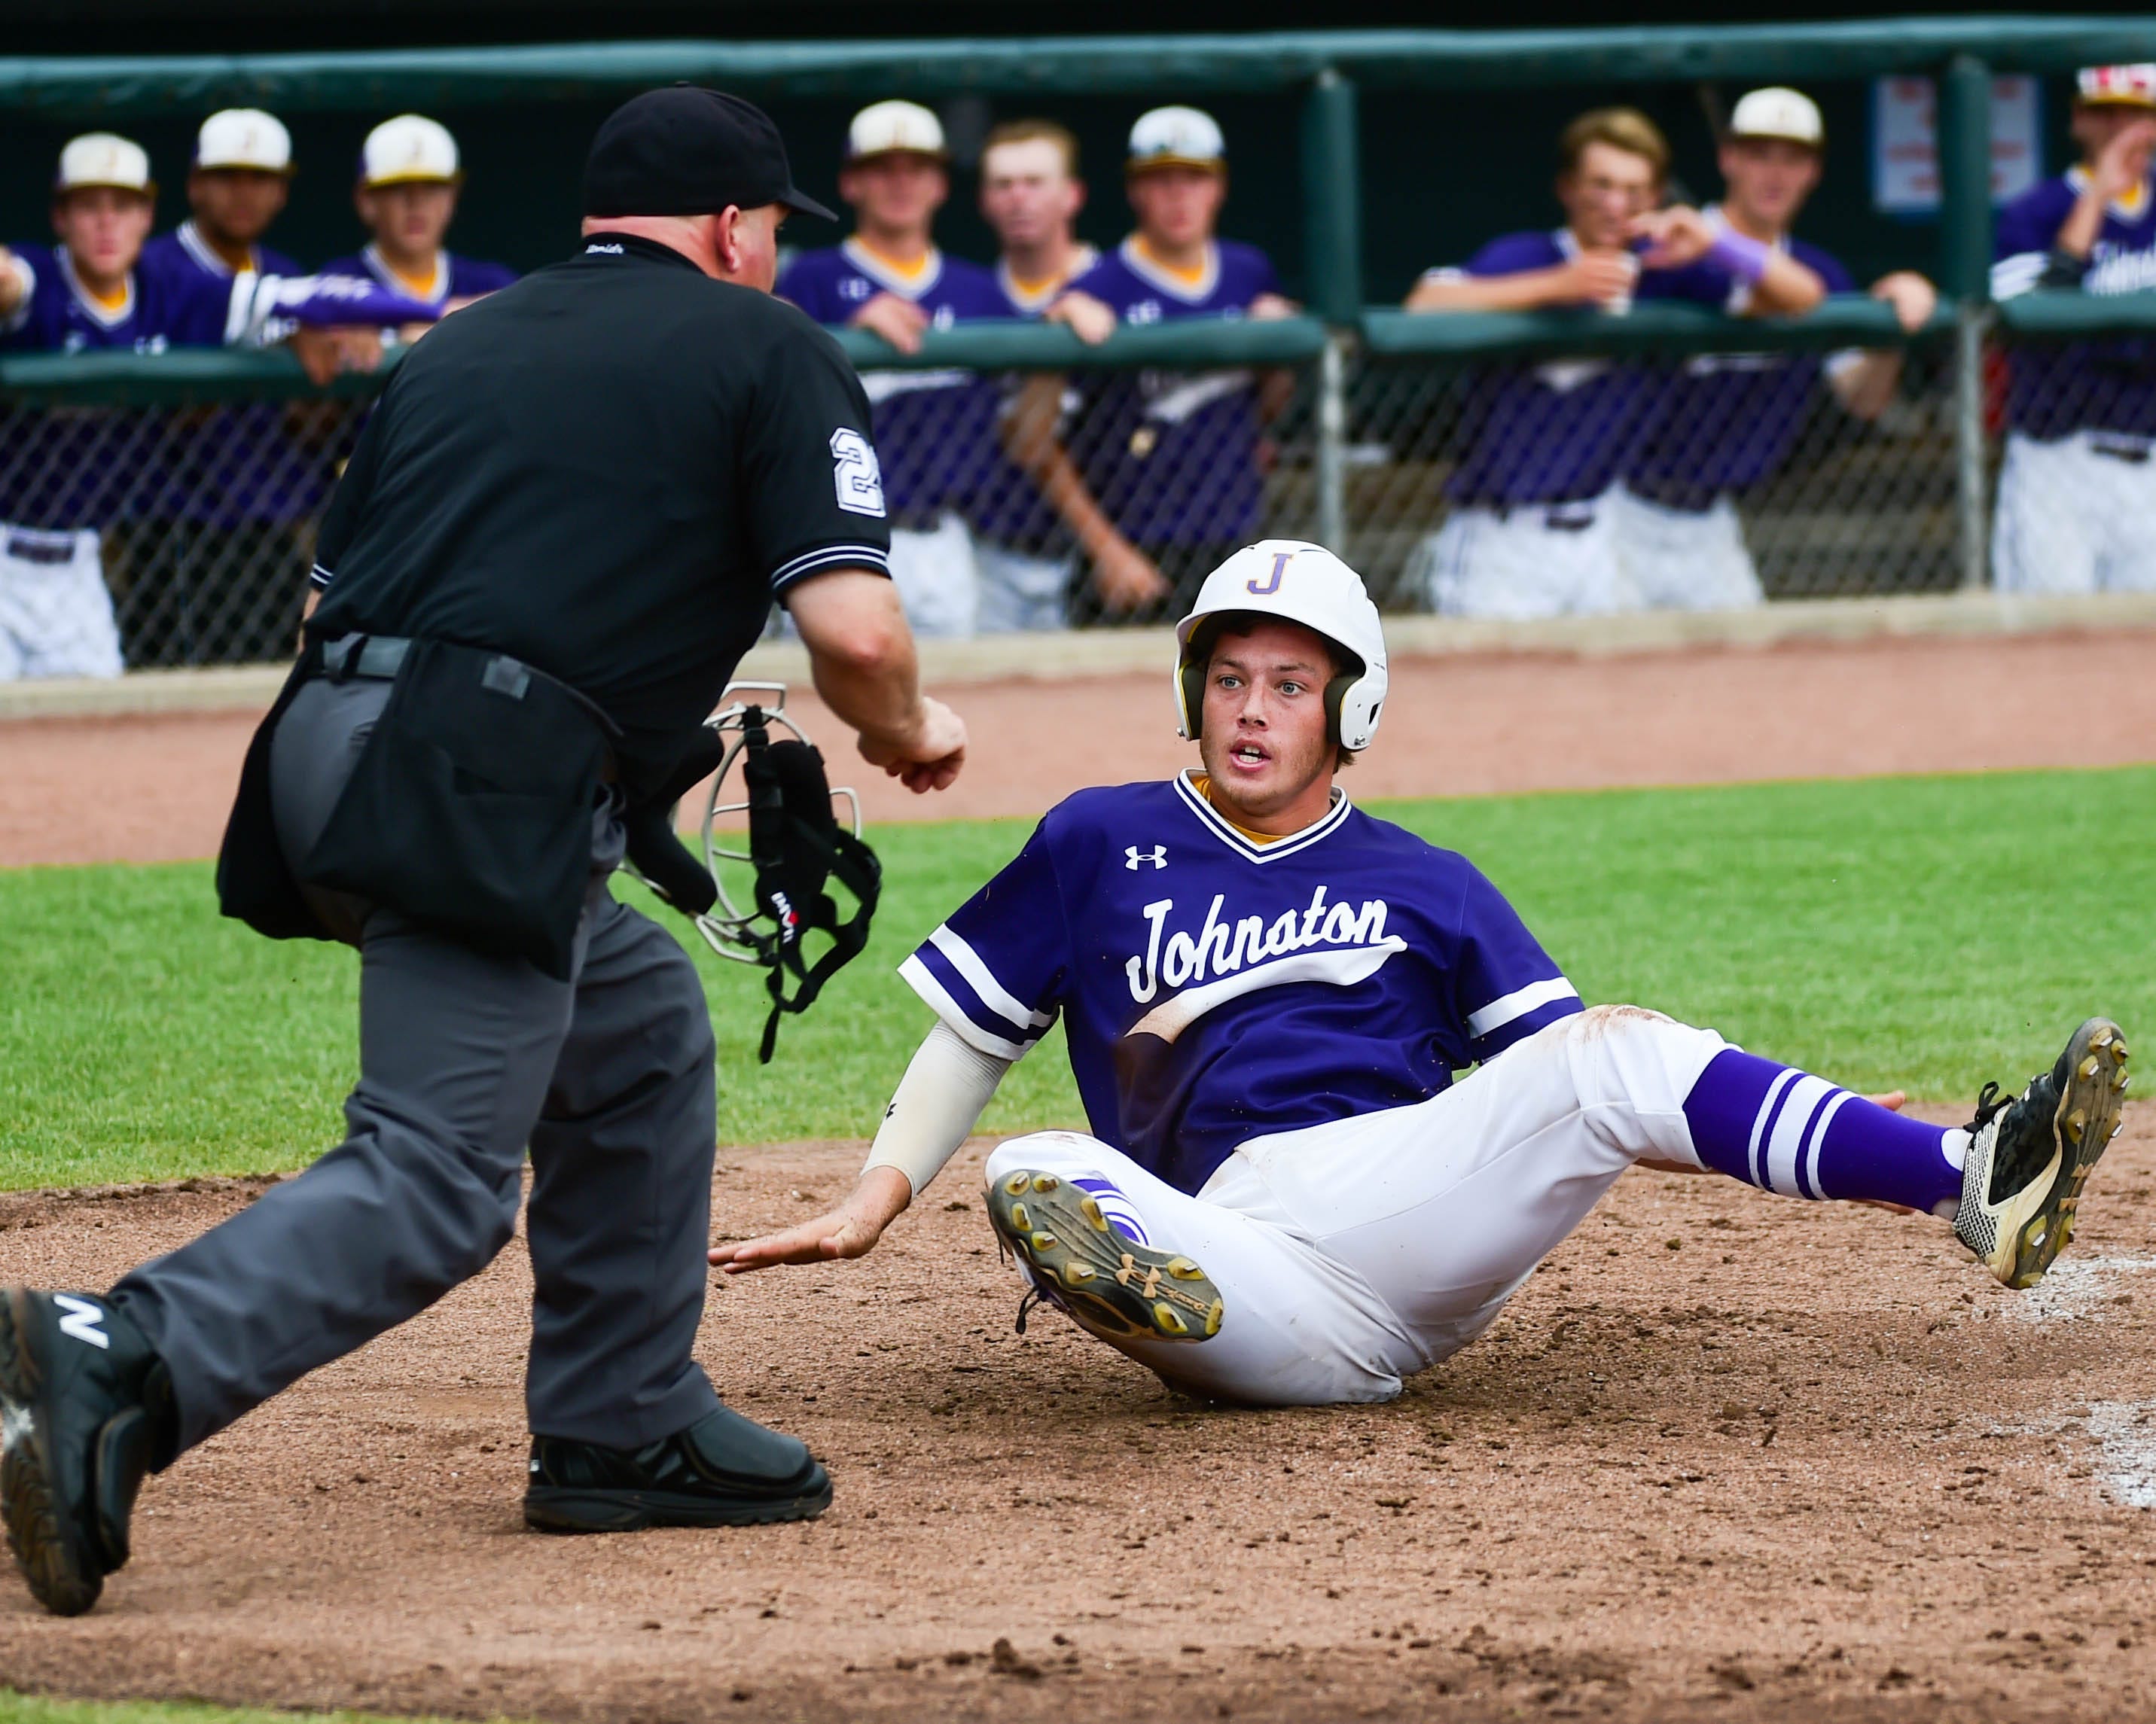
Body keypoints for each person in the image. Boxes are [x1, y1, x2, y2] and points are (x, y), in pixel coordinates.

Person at [0, 86, 968, 1619]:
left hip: (328, 748)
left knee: (636, 1024)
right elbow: (854, 631)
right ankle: (123, 1350)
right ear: (730, 223)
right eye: (777, 223)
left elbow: (332, 614)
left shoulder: (455, 341)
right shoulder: (774, 345)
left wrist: (600, 760)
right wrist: (909, 730)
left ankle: (622, 1418)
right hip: (472, 774)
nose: (780, 252)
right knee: (442, 1171)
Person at [712, 541, 2130, 1412]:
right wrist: (872, 1196)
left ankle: (1961, 1178)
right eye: (1228, 678)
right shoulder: (1099, 838)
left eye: (1287, 683)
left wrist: (1813, 1129)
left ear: (1352, 708)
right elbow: (974, 1029)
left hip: (1404, 1226)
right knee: (1035, 1172)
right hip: (1230, 1242)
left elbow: (1575, 1087)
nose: (1251, 709)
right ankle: (1230, 1347)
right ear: (1189, 692)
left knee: (1600, 1060)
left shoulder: (1425, 882)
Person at [0, 134, 435, 679]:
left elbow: (303, 297)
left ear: (147, 215)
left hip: (80, 562)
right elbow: (9, 282)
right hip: (7, 545)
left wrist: (431, 311)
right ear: (61, 217)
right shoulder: (42, 277)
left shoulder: (167, 288)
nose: (107, 223)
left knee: (97, 724)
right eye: (89, 206)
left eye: (123, 206)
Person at [1609, 88, 1938, 608]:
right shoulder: (1672, 248)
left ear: (1813, 172)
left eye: (1792, 159)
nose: (1775, 175)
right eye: (1759, 155)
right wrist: (1716, 243)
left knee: (1743, 670)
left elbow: (1862, 398)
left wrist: (1887, 333)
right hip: (1620, 510)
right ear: (1727, 159)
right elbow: (1777, 294)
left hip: (1710, 521)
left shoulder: (1820, 270)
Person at [1402, 108, 1716, 619]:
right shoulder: (1527, 254)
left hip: (1603, 533)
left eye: (1634, 191)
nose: (1615, 205)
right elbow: (1423, 304)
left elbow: (1785, 297)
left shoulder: (1667, 272)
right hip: (1502, 536)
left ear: (1655, 198)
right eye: (1600, 185)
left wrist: (1711, 243)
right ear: (1568, 188)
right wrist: (1557, 286)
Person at [1011, 106, 1295, 620]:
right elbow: (1034, 441)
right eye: (1160, 180)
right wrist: (1106, 550)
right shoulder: (1097, 288)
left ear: (1219, 187)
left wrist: (1279, 355)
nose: (1178, 196)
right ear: (1134, 191)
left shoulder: (1248, 272)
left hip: (1235, 537)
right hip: (1133, 542)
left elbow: (1268, 407)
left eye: (1194, 178)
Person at [778, 101, 1010, 638]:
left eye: (917, 169)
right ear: (850, 183)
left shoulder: (978, 288)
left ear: (940, 184)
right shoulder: (810, 281)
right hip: (833, 533)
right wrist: (835, 329)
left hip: (947, 537)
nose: (900, 184)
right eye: (882, 169)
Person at [137, 110, 321, 665]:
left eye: (260, 178)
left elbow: (311, 424)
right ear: (195, 185)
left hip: (275, 530)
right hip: (177, 528)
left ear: (282, 192)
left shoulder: (285, 271)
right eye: (227, 177)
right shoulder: (151, 267)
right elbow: (167, 413)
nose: (244, 193)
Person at [1990, 63, 2156, 594]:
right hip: (2057, 457)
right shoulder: (2033, 212)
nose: (2119, 129)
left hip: (2148, 458)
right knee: (2042, 644)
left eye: (2135, 115)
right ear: (2076, 120)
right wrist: (2097, 197)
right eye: (2103, 112)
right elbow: (2027, 318)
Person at [971, 118, 1104, 633]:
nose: (1018, 198)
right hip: (992, 548)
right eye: (1003, 185)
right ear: (984, 200)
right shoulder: (969, 298)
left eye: (1034, 183)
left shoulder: (1113, 282)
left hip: (1110, 543)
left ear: (1072, 195)